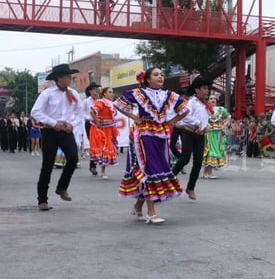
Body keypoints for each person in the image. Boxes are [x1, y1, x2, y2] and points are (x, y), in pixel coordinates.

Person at [115, 67, 189, 223]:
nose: (160, 77)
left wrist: (172, 122)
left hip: (161, 134)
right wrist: (134, 117)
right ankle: (151, 212)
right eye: (156, 75)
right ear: (147, 79)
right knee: (149, 167)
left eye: (162, 75)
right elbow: (119, 104)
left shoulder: (169, 95)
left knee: (160, 167)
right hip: (143, 133)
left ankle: (138, 206)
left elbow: (185, 109)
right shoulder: (139, 93)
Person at [30, 64, 83, 211]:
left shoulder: (73, 93)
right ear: (59, 78)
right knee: (47, 165)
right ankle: (42, 199)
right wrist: (53, 123)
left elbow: (80, 113)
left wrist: (72, 124)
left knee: (73, 158)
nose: (70, 79)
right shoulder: (48, 93)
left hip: (66, 131)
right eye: (67, 77)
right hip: (50, 131)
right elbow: (35, 112)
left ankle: (62, 187)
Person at [171, 77, 212, 200]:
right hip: (188, 133)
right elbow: (186, 117)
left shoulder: (205, 104)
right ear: (197, 90)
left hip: (200, 135)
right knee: (185, 159)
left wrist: (206, 125)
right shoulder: (191, 102)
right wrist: (198, 123)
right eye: (204, 88)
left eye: (207, 88)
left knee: (198, 162)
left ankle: (190, 188)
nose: (207, 91)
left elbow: (204, 119)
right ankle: (169, 179)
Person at [88, 86, 119, 179]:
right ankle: (102, 171)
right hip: (101, 129)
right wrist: (98, 123)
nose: (112, 94)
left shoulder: (111, 103)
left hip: (109, 128)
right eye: (109, 92)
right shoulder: (101, 102)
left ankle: (102, 170)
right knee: (104, 149)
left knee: (108, 149)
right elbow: (92, 112)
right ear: (104, 94)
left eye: (112, 92)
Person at [202, 93, 230, 179]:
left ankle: (207, 172)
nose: (213, 100)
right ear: (208, 100)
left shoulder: (220, 109)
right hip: (208, 133)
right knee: (209, 150)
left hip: (217, 133)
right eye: (211, 98)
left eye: (214, 99)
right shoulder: (205, 109)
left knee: (213, 149)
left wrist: (224, 125)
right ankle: (208, 172)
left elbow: (228, 116)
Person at [82, 82, 101, 175]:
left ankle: (100, 162)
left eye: (97, 90)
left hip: (100, 124)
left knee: (100, 143)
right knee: (93, 144)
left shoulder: (100, 101)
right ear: (90, 91)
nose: (96, 92)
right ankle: (92, 165)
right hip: (89, 124)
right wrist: (89, 118)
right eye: (94, 89)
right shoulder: (86, 102)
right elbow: (81, 113)